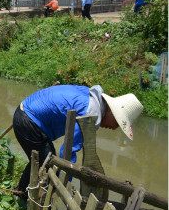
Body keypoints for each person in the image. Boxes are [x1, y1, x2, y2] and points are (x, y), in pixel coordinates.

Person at [12, 85, 143, 201]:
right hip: (28, 120)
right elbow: (68, 152)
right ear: (112, 111)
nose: (115, 128)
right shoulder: (91, 114)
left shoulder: (92, 97)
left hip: (25, 112)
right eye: (118, 123)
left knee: (43, 158)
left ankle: (21, 193)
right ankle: (27, 197)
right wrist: (64, 184)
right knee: (47, 162)